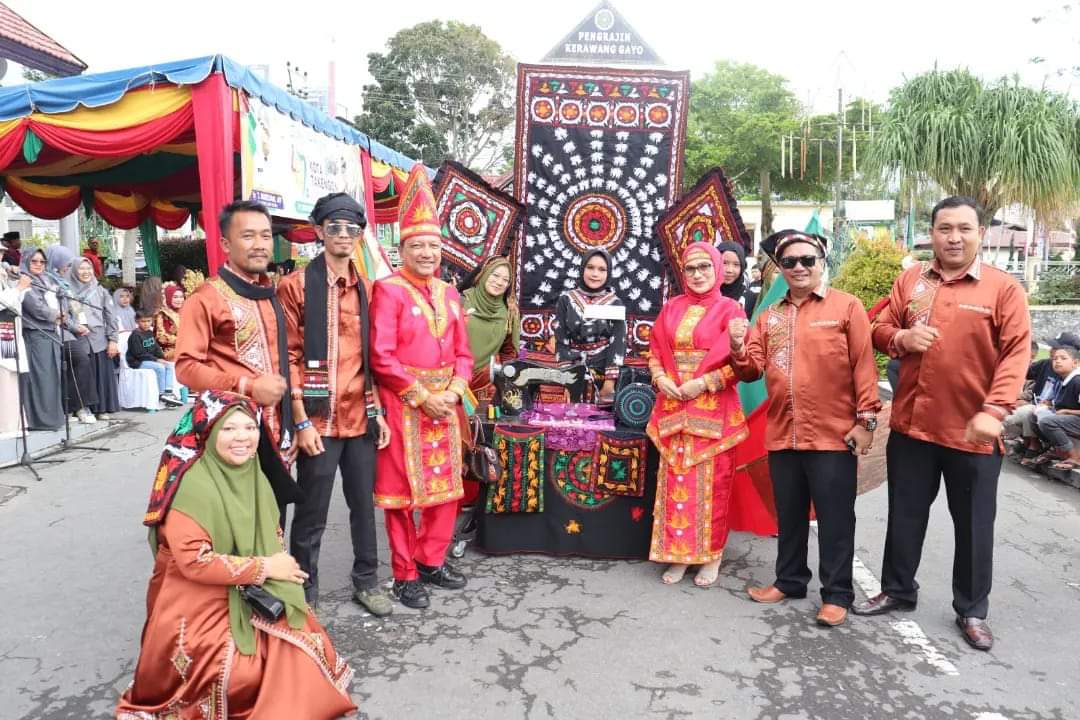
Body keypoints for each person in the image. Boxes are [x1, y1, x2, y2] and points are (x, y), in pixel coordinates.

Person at [853, 197, 1030, 652]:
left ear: (980, 233)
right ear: (931, 233)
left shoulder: (1002, 289)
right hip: (912, 427)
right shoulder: (911, 280)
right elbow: (879, 327)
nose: (954, 237)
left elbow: (1016, 354)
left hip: (971, 433)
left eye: (964, 229)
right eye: (945, 228)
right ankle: (897, 589)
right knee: (905, 515)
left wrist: (995, 411)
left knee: (973, 525)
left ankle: (971, 609)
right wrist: (901, 338)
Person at [116, 391, 356, 719]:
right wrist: (266, 567)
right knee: (240, 672)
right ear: (210, 432)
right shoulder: (192, 485)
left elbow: (270, 539)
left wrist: (276, 571)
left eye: (249, 427)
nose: (242, 437)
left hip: (250, 582)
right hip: (194, 595)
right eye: (228, 429)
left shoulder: (256, 475)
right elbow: (195, 562)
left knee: (305, 638)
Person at [729, 230, 881, 627]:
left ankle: (837, 595)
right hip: (782, 433)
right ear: (780, 268)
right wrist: (737, 347)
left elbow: (865, 368)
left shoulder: (846, 307)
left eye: (807, 260)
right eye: (790, 262)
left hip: (833, 434)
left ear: (821, 263)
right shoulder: (770, 315)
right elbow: (750, 371)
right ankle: (790, 580)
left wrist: (866, 421)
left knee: (834, 518)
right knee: (789, 515)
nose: (799, 267)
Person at [278, 192, 394, 616]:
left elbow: (370, 357)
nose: (343, 236)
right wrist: (300, 421)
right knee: (312, 510)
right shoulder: (294, 286)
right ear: (319, 232)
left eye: (352, 229)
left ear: (360, 236)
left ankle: (367, 580)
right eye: (334, 228)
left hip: (361, 415)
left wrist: (377, 410)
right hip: (319, 420)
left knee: (364, 506)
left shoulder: (367, 287)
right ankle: (303, 590)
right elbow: (288, 356)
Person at [370, 165, 474, 610]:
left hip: (446, 404)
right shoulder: (388, 290)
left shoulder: (451, 294)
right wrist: (420, 395)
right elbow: (381, 355)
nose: (427, 253)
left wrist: (452, 391)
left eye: (433, 245)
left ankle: (431, 560)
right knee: (401, 495)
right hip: (403, 405)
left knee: (446, 489)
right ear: (403, 248)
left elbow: (465, 353)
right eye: (418, 245)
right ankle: (404, 573)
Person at [175, 200, 299, 509]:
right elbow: (186, 367)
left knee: (272, 524)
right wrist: (247, 386)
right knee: (236, 528)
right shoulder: (207, 298)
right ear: (226, 244)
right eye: (248, 236)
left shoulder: (272, 295)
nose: (259, 245)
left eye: (266, 235)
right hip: (232, 433)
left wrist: (295, 423)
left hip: (276, 435)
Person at [646, 242, 750, 587]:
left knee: (713, 486)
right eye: (691, 269)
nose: (698, 274)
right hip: (674, 406)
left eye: (705, 266)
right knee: (675, 481)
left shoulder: (730, 310)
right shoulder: (672, 307)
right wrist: (660, 378)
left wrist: (703, 383)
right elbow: (656, 352)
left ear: (718, 269)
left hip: (713, 410)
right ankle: (678, 555)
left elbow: (741, 365)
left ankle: (711, 556)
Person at [553, 248, 626, 404]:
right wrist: (567, 375)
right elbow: (561, 339)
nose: (595, 274)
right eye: (590, 267)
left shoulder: (614, 303)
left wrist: (609, 383)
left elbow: (618, 343)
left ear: (608, 273)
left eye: (602, 269)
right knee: (572, 420)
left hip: (603, 371)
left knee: (601, 422)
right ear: (582, 268)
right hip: (574, 369)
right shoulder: (566, 300)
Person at [46, 245, 99, 425]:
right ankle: (78, 406)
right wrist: (75, 327)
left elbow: (73, 309)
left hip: (69, 331)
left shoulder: (63, 283)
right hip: (56, 332)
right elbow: (58, 313)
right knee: (80, 359)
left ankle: (78, 406)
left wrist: (79, 325)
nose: (67, 268)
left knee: (80, 362)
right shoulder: (48, 281)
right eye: (65, 264)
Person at [18, 248, 65, 430]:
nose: (38, 265)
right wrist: (57, 315)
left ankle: (54, 418)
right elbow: (35, 307)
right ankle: (40, 420)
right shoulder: (24, 280)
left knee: (53, 377)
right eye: (34, 261)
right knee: (41, 377)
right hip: (36, 334)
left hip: (51, 333)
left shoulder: (47, 279)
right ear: (27, 262)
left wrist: (64, 313)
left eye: (42, 262)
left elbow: (62, 298)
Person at [461, 256, 520, 399]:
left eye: (505, 280)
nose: (499, 282)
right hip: (452, 382)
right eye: (495, 275)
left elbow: (509, 353)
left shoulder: (509, 313)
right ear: (484, 274)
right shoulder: (460, 302)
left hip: (485, 386)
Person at [69, 257, 120, 420]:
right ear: (74, 271)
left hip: (99, 339)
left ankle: (102, 408)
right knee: (84, 374)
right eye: (81, 269)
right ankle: (83, 408)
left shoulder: (100, 290)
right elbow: (64, 316)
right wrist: (74, 327)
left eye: (88, 268)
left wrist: (113, 339)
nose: (86, 272)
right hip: (78, 338)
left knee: (100, 374)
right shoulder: (67, 290)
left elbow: (111, 316)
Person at [1032, 345, 1080, 470]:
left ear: (1075, 362)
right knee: (1033, 416)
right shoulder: (1062, 379)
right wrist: (1049, 404)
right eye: (1055, 358)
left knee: (1047, 422)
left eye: (1063, 358)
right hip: (1071, 420)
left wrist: (1067, 411)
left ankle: (1074, 456)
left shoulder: (1077, 381)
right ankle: (1059, 451)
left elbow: (1066, 408)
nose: (1057, 361)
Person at [126, 310, 184, 408]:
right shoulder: (135, 335)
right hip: (138, 362)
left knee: (169, 365)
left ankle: (168, 392)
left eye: (148, 321)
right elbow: (139, 354)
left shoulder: (149, 332)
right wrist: (156, 360)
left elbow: (155, 347)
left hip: (150, 359)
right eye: (143, 321)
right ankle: (162, 394)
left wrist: (162, 357)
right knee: (160, 367)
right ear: (137, 321)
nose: (146, 324)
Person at [0, 263, 31, 435]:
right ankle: (6, 425)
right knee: (4, 379)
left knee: (12, 377)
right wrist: (19, 288)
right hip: (2, 334)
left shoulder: (4, 278)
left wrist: (20, 288)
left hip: (8, 332)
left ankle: (15, 423)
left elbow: (12, 304)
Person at [717, 241, 757, 316]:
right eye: (724, 263)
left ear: (742, 267)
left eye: (736, 264)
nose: (729, 270)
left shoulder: (750, 298)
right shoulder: (705, 295)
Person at [155, 283, 184, 361]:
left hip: (185, 347)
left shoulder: (185, 312)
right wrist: (181, 340)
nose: (179, 300)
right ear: (168, 297)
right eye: (175, 297)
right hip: (169, 351)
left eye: (181, 297)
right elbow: (161, 337)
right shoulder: (162, 314)